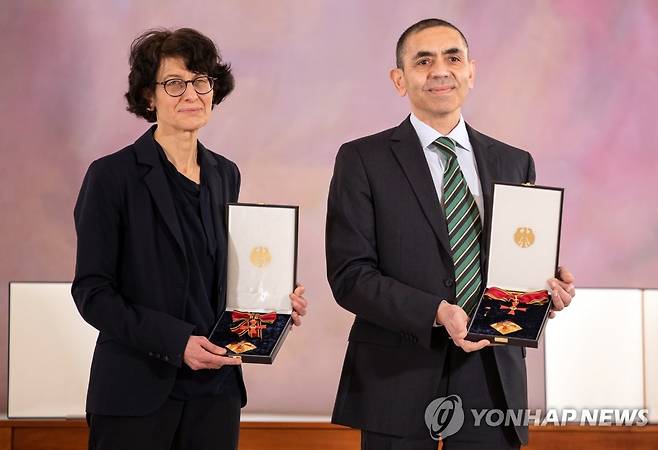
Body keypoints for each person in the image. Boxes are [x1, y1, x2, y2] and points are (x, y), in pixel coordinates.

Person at [326, 19, 575, 449]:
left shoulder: (515, 162)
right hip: (397, 376)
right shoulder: (362, 160)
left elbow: (517, 258)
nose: (440, 70)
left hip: (492, 376)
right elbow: (350, 276)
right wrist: (437, 311)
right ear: (399, 80)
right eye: (423, 61)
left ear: (471, 72)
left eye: (452, 58)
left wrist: (544, 289)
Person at [72, 28, 308, 450]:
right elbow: (92, 292)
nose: (192, 94)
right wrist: (176, 342)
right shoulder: (111, 176)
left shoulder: (225, 173)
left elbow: (220, 277)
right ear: (149, 96)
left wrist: (271, 300)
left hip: (215, 393)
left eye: (201, 82)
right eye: (175, 83)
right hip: (136, 392)